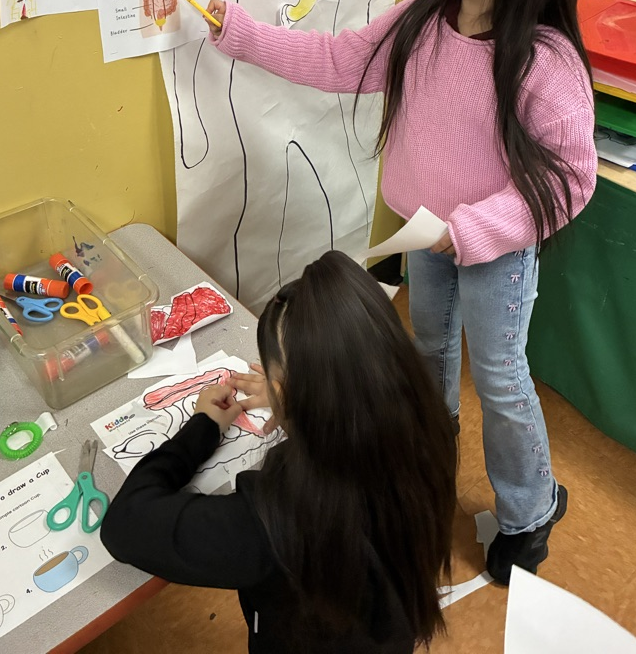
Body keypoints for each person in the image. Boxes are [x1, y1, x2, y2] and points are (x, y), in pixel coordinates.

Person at [202, 0, 598, 585]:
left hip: (495, 249)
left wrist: (476, 229)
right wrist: (237, 32)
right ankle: (425, 466)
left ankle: (530, 511)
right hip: (427, 237)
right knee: (424, 356)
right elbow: (333, 59)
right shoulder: (423, 18)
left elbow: (572, 181)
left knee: (502, 379)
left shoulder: (546, 63)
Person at [101, 251, 457, 653]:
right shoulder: (429, 430)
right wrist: (296, 404)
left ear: (287, 392)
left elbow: (124, 525)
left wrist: (201, 430)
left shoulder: (275, 521)